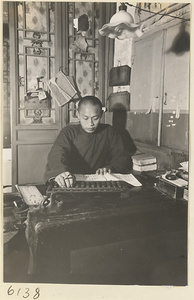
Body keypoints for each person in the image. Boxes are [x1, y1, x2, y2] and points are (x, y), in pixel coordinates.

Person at [44, 96, 133, 187]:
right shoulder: (69, 132)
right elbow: (58, 153)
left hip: (100, 183)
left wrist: (110, 168)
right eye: (85, 118)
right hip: (72, 183)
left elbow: (123, 158)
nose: (90, 123)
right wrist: (61, 171)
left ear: (101, 114)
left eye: (95, 118)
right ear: (78, 114)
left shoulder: (110, 132)